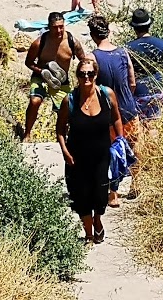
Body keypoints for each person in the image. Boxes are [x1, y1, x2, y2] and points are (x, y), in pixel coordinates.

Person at [55, 59, 123, 245]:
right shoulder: (69, 100)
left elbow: (116, 118)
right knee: (81, 196)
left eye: (90, 73)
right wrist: (65, 152)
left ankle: (97, 220)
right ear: (77, 76)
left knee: (100, 195)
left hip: (102, 156)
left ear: (96, 75)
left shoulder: (107, 95)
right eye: (82, 73)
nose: (86, 77)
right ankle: (89, 234)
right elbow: (60, 129)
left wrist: (120, 140)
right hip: (77, 158)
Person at [86, 16, 140, 207]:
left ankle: (113, 194)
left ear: (93, 35)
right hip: (130, 108)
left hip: (108, 113)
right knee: (133, 147)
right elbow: (132, 82)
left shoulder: (92, 58)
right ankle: (136, 185)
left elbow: (89, 87)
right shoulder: (124, 53)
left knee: (110, 152)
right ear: (108, 31)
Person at [22, 11, 90, 143]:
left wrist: (82, 79)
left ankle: (63, 139)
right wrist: (41, 71)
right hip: (41, 77)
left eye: (61, 26)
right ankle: (27, 134)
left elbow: (83, 61)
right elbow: (28, 62)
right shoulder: (40, 42)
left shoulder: (72, 42)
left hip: (62, 82)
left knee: (66, 111)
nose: (59, 30)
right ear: (48, 26)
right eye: (55, 27)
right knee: (34, 102)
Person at [125, 9, 163, 128]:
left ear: (134, 28)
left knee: (139, 126)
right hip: (157, 87)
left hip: (138, 90)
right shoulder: (161, 44)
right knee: (153, 125)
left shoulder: (128, 48)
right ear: (149, 25)